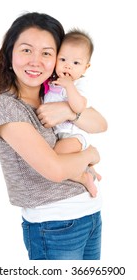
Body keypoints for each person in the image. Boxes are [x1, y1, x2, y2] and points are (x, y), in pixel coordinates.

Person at [0, 12, 107, 260]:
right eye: (26, 50)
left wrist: (67, 111)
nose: (36, 61)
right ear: (10, 54)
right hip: (53, 225)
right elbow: (54, 169)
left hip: (90, 214)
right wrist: (90, 154)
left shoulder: (55, 93)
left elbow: (101, 124)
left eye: (46, 53)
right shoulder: (6, 106)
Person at [44, 29, 102, 197]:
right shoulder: (52, 82)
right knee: (58, 158)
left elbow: (79, 107)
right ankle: (89, 170)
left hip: (74, 136)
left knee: (54, 157)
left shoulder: (79, 85)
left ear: (86, 67)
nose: (68, 66)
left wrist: (69, 86)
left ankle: (83, 177)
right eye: (62, 60)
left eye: (76, 63)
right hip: (59, 134)